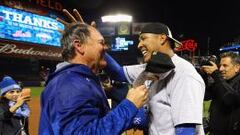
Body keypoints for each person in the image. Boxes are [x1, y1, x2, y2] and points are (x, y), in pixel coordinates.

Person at [57, 9, 205, 135]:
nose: (139, 44)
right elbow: (118, 73)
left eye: (143, 38)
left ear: (162, 38)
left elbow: (186, 130)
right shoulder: (149, 67)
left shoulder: (184, 74)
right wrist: (92, 44)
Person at [39, 23, 149, 135]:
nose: (106, 47)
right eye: (101, 42)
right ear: (79, 45)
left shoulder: (78, 79)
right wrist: (129, 106)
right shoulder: (69, 85)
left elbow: (92, 123)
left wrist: (133, 119)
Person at [202, 51, 240, 135]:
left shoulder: (221, 80)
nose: (220, 69)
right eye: (220, 65)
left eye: (225, 66)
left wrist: (216, 75)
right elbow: (205, 96)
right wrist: (203, 75)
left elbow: (230, 99)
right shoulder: (222, 81)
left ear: (237, 67)